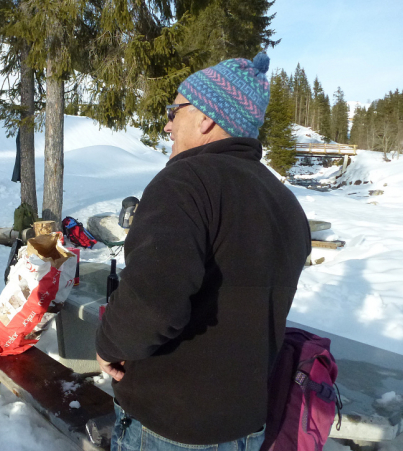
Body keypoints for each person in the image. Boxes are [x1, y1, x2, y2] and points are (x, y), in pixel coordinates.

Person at [95, 53, 311, 451]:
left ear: (207, 118)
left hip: (172, 426)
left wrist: (109, 344)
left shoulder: (185, 181)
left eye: (175, 110)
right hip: (245, 427)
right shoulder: (285, 203)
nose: (168, 123)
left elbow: (152, 303)